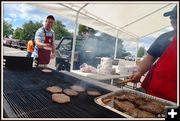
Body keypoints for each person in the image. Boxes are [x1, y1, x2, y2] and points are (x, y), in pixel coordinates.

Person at [128, 6, 177, 102]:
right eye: (171, 17)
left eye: (176, 16)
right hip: (153, 93)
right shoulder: (164, 37)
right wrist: (139, 72)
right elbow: (150, 57)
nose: (172, 19)